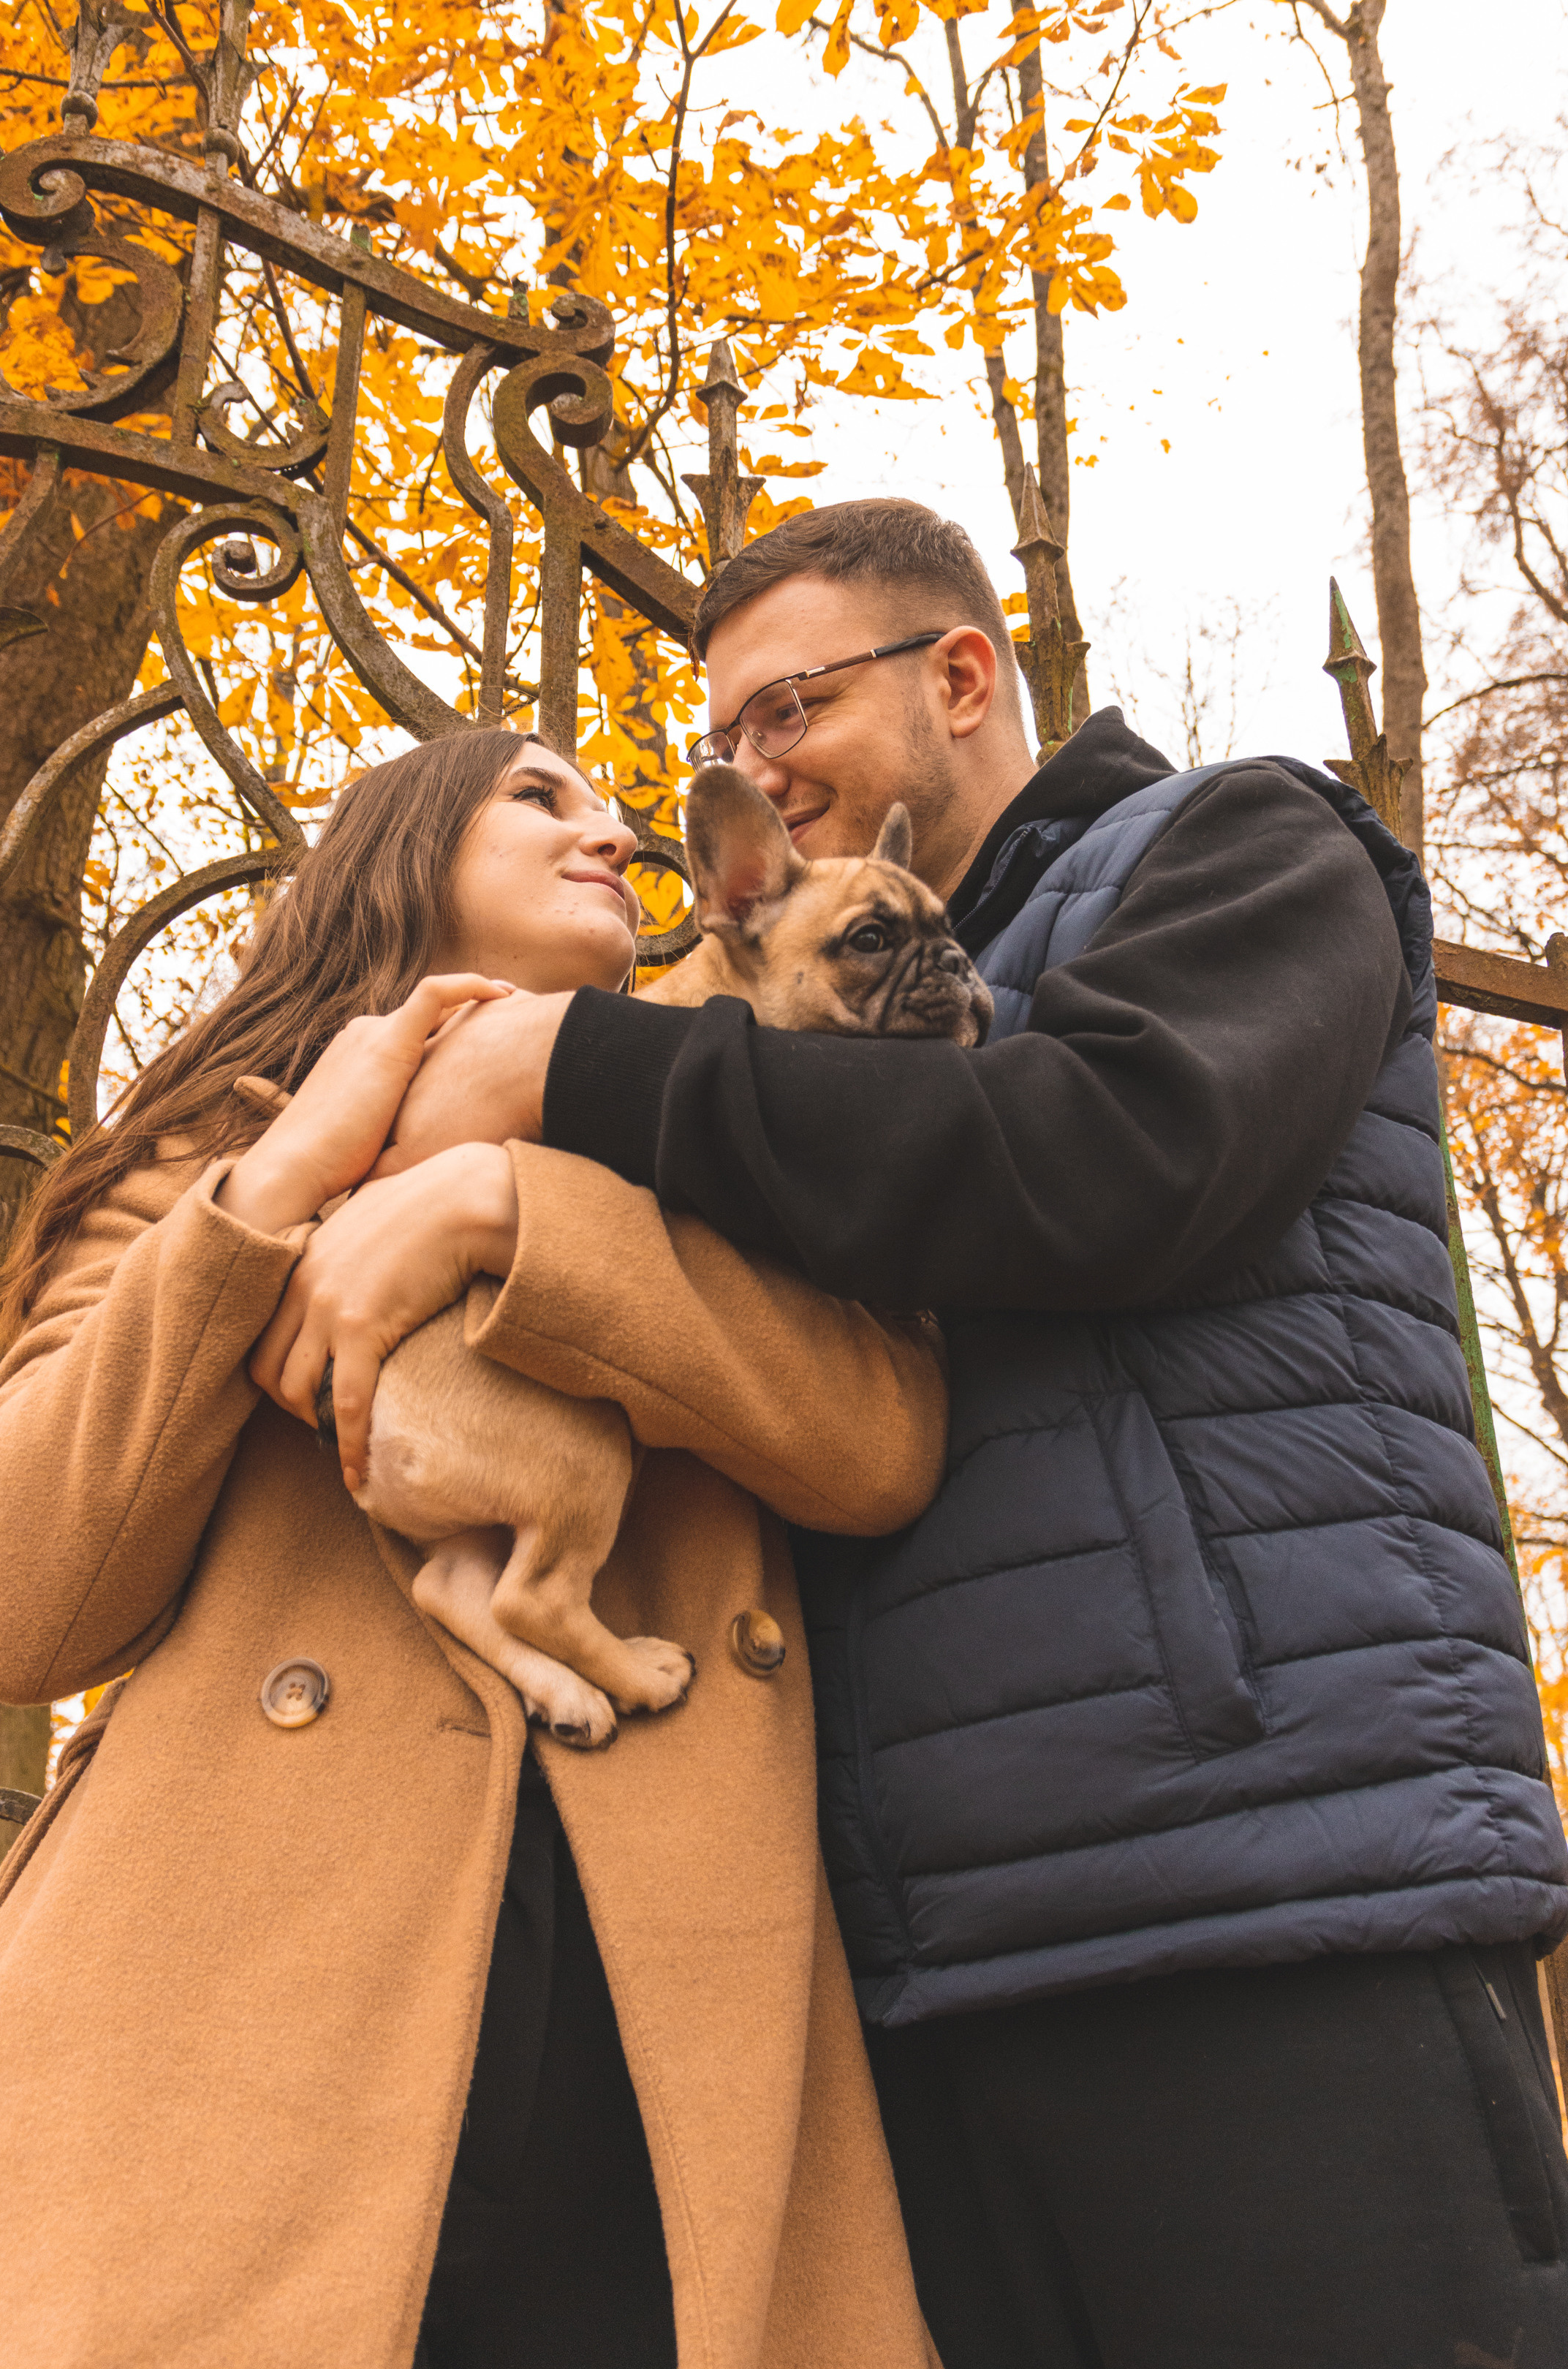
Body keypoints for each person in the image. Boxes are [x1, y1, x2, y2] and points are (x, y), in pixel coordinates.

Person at [381, 502, 1568, 2369]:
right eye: (731, 734)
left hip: (1261, 1907)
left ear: (960, 673)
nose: (755, 763)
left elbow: (1107, 1162)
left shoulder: (1238, 844)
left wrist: (575, 1071)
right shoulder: (790, 1002)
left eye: (792, 705)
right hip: (908, 1978)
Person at [0, 728, 948, 2369]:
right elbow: (21, 1593)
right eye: (540, 795)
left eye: (613, 806)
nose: (612, 827)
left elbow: (881, 1442)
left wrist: (513, 1207)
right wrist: (288, 1175)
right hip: (242, 2008)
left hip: (671, 2012)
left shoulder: (743, 1120)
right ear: (401, 854)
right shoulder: (206, 1152)